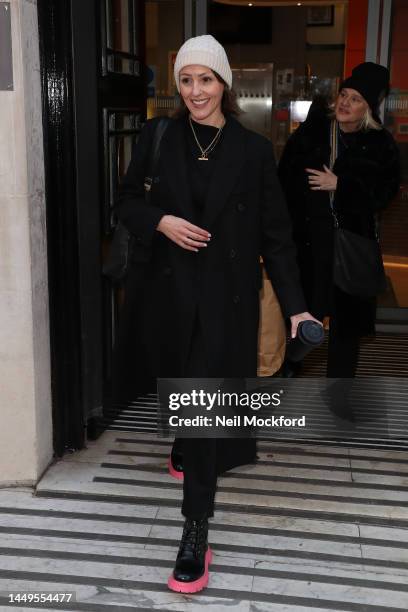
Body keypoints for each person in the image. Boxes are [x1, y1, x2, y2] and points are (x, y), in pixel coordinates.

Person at [114, 34, 315, 593]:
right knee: (185, 396)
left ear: (224, 84)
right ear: (177, 85)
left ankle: (195, 527)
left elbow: (277, 238)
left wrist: (297, 310)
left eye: (206, 79)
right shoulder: (159, 137)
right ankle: (184, 441)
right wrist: (161, 221)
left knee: (205, 409)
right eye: (186, 79)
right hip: (168, 295)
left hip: (226, 300)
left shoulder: (252, 151)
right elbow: (125, 202)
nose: (196, 90)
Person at [278, 62, 400, 380]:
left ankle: (339, 395)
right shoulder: (313, 132)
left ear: (369, 108)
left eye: (355, 99)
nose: (345, 103)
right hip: (309, 245)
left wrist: (341, 186)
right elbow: (283, 183)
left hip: (349, 246)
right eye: (343, 95)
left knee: (345, 329)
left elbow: (385, 194)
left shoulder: (381, 144)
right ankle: (286, 376)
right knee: (302, 320)